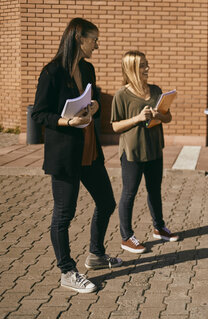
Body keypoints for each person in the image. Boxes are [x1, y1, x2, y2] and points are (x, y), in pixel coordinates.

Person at [31, 18, 122, 293]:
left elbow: (92, 104)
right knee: (63, 214)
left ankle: (95, 254)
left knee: (106, 202)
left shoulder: (88, 68)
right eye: (94, 39)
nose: (97, 44)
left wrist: (95, 107)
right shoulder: (51, 73)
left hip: (90, 152)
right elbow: (38, 114)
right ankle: (67, 271)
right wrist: (65, 121)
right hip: (65, 156)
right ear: (79, 38)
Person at [111, 50, 179, 254]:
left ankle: (159, 228)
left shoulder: (156, 90)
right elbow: (115, 126)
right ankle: (126, 237)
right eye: (142, 65)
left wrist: (160, 114)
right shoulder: (121, 95)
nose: (147, 68)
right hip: (132, 152)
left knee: (155, 190)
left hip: (154, 149)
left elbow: (168, 119)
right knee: (129, 193)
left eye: (147, 64)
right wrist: (138, 118)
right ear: (131, 68)